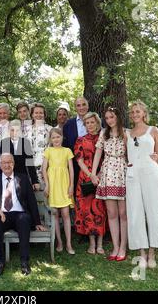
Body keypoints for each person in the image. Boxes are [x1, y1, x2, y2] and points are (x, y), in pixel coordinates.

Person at [0, 153, 47, 276]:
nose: (7, 165)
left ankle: (24, 262)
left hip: (19, 215)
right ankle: (0, 261)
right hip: (2, 215)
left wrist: (37, 222)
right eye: (4, 162)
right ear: (0, 165)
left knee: (24, 218)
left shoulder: (23, 178)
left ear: (13, 164)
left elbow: (31, 201)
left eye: (9, 162)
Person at [126, 101, 158, 268]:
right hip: (133, 174)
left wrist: (156, 160)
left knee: (153, 210)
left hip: (150, 173)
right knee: (135, 212)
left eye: (138, 111)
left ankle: (152, 253)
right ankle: (141, 253)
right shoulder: (127, 133)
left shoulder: (153, 130)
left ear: (144, 113)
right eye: (132, 112)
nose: (135, 114)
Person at [91, 106, 128, 262]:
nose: (109, 120)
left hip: (122, 172)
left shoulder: (126, 133)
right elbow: (98, 152)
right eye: (107, 118)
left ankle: (123, 247)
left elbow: (131, 154)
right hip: (107, 173)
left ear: (118, 117)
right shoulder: (103, 133)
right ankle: (115, 246)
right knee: (111, 214)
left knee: (123, 214)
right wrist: (93, 173)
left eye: (112, 117)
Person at [74, 112, 106, 255]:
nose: (90, 125)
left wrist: (98, 175)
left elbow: (106, 158)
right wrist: (90, 175)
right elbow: (79, 161)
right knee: (87, 211)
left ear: (97, 123)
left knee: (100, 209)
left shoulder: (104, 138)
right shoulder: (80, 140)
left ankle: (100, 244)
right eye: (87, 123)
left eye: (92, 122)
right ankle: (91, 244)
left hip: (102, 176)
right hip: (85, 178)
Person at [42, 128, 75, 254]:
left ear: (62, 137)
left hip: (64, 185)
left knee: (66, 214)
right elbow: (44, 169)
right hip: (53, 186)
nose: (56, 139)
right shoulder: (48, 151)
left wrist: (71, 185)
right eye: (53, 137)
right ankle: (59, 242)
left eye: (58, 137)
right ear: (50, 139)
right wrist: (47, 185)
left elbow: (71, 170)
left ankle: (69, 244)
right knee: (55, 214)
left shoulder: (67, 151)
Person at [0, 120, 39, 190]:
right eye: (12, 130)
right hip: (8, 178)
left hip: (22, 177)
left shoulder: (25, 143)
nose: (14, 133)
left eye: (17, 130)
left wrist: (34, 181)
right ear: (9, 130)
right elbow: (1, 163)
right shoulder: (4, 143)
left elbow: (30, 163)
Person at [63, 97, 89, 189]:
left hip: (93, 165)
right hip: (74, 165)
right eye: (78, 105)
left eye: (84, 104)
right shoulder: (68, 125)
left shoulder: (97, 121)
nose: (81, 107)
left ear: (88, 106)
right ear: (75, 108)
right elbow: (65, 147)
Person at [25, 102, 52, 184]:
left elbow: (52, 149)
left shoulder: (50, 129)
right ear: (32, 115)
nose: (38, 115)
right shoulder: (26, 130)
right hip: (29, 169)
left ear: (44, 114)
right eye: (36, 113)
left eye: (41, 113)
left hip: (46, 168)